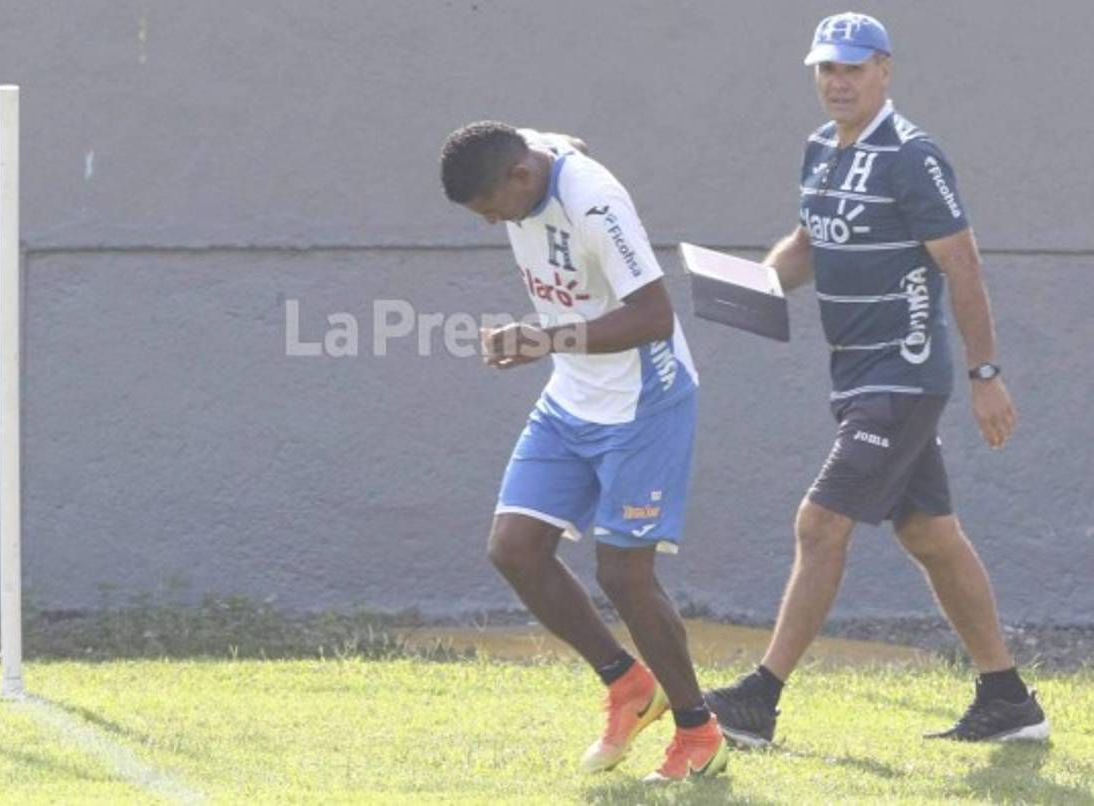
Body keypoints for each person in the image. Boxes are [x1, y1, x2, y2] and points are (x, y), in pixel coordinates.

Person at [704, 12, 1049, 746]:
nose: (838, 81)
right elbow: (808, 244)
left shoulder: (912, 155)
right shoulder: (820, 150)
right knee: (929, 533)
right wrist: (749, 288)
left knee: (820, 523)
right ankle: (1009, 701)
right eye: (827, 68)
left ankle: (758, 700)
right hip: (856, 375)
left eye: (853, 68)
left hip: (904, 374)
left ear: (884, 71)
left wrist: (986, 374)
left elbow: (962, 263)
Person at [439, 121, 727, 781]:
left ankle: (698, 731)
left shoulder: (596, 204)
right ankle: (628, 685)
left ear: (521, 176)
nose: (493, 224)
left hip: (643, 405)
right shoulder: (527, 151)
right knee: (514, 548)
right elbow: (563, 140)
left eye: (493, 210)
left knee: (624, 576)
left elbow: (654, 316)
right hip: (571, 398)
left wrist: (542, 339)